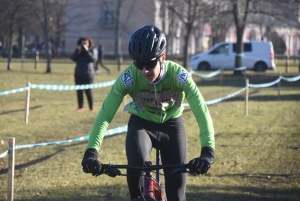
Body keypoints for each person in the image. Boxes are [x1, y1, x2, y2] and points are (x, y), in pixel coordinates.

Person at [81, 25, 215, 201]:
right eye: (139, 64)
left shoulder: (178, 75)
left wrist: (207, 151)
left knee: (177, 195)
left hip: (172, 126)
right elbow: (105, 114)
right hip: (141, 124)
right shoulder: (129, 77)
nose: (144, 70)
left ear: (162, 58)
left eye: (150, 63)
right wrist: (91, 151)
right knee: (136, 169)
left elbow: (202, 112)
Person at [70, 36, 98, 112]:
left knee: (88, 91)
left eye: (85, 42)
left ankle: (91, 107)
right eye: (82, 42)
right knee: (79, 91)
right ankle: (81, 107)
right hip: (78, 74)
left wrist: (87, 51)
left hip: (88, 75)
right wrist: (77, 50)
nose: (84, 44)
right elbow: (73, 58)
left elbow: (93, 59)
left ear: (89, 43)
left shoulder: (92, 50)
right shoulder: (78, 50)